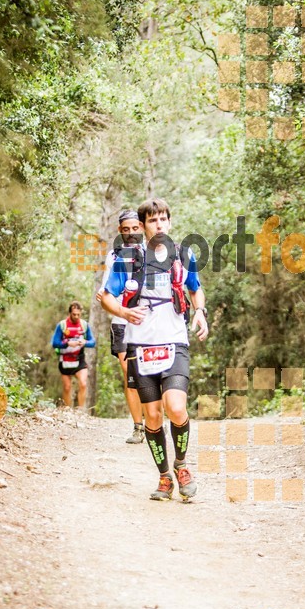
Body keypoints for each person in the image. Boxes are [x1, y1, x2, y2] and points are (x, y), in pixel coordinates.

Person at [101, 197, 208, 501]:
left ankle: (182, 465)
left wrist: (199, 312)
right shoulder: (127, 259)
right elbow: (107, 296)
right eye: (152, 220)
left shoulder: (183, 254)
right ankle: (164, 477)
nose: (159, 224)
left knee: (176, 407)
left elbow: (195, 288)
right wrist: (123, 313)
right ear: (144, 225)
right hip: (140, 345)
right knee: (152, 417)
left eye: (163, 219)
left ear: (169, 222)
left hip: (175, 341)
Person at [96, 209, 145, 444]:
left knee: (151, 373)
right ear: (120, 231)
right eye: (126, 230)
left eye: (135, 228)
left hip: (148, 323)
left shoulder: (155, 254)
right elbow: (107, 288)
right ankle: (138, 427)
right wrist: (105, 296)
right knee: (129, 375)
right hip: (121, 322)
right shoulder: (114, 256)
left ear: (143, 228)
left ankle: (155, 420)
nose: (131, 234)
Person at [52, 301, 96, 408]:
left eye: (78, 314)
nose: (76, 316)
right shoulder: (62, 325)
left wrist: (85, 342)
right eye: (74, 314)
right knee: (67, 387)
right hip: (65, 359)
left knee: (83, 383)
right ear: (69, 313)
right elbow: (54, 343)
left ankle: (81, 410)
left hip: (79, 359)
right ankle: (67, 410)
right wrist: (67, 343)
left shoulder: (84, 325)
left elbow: (93, 342)